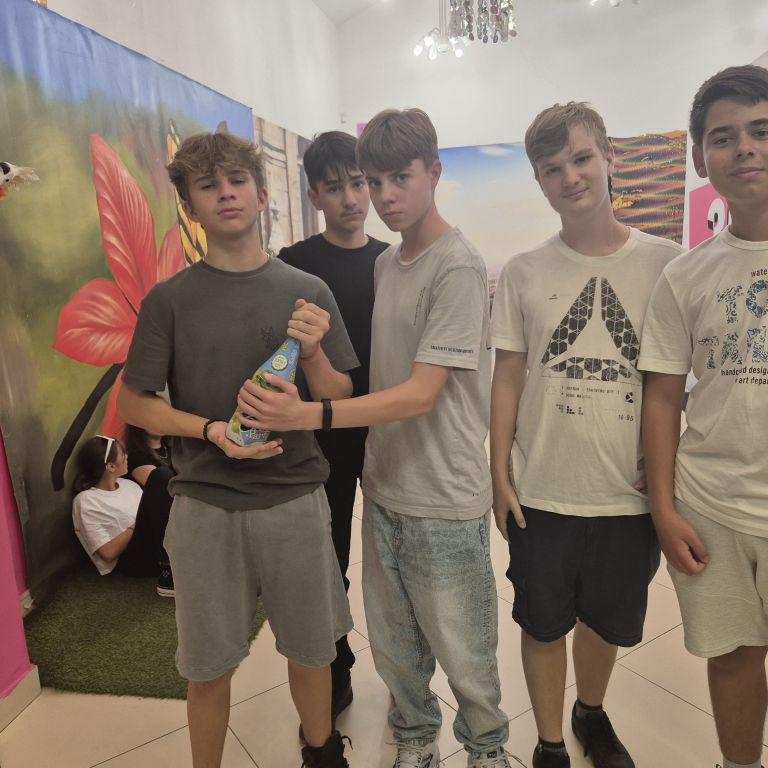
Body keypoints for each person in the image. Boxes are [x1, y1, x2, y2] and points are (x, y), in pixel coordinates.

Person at [237, 108, 510, 768]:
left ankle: (487, 752)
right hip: (385, 482)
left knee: (464, 649)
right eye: (374, 180)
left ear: (433, 172)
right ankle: (415, 739)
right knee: (394, 643)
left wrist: (311, 416)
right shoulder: (389, 263)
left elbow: (420, 393)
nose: (384, 196)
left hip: (443, 490)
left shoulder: (458, 265)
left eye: (398, 179)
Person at [117, 131, 358, 768]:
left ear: (261, 194)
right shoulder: (169, 301)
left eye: (237, 180)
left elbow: (337, 395)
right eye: (208, 185)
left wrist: (312, 352)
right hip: (204, 505)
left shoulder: (307, 290)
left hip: (295, 498)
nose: (225, 193)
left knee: (312, 652)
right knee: (207, 666)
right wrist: (210, 431)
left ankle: (322, 754)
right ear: (189, 207)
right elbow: (135, 403)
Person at [489, 102, 681, 768]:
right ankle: (549, 742)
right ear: (539, 181)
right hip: (542, 489)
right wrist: (499, 473)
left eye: (580, 158)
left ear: (609, 158)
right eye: (552, 168)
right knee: (542, 623)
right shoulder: (523, 271)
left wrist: (667, 477)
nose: (569, 177)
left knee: (605, 621)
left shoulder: (666, 264)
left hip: (628, 493)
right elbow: (507, 377)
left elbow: (673, 385)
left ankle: (589, 713)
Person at [640, 64, 768, 768]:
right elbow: (663, 397)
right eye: (724, 137)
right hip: (712, 504)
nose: (744, 147)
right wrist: (664, 508)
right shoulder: (685, 276)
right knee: (734, 655)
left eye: (761, 130)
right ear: (699, 157)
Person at [279, 130, 388, 731]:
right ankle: (336, 665)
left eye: (359, 183)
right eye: (335, 186)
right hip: (323, 431)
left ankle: (407, 670)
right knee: (329, 556)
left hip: (390, 426)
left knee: (399, 556)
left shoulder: (394, 259)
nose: (351, 198)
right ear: (314, 195)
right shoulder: (292, 264)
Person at [71, 434, 174, 596]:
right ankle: (168, 574)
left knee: (163, 481)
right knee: (160, 476)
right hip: (132, 561)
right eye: (123, 454)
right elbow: (107, 554)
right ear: (111, 466)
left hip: (152, 546)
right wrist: (136, 525)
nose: (127, 457)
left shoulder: (129, 485)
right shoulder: (86, 500)